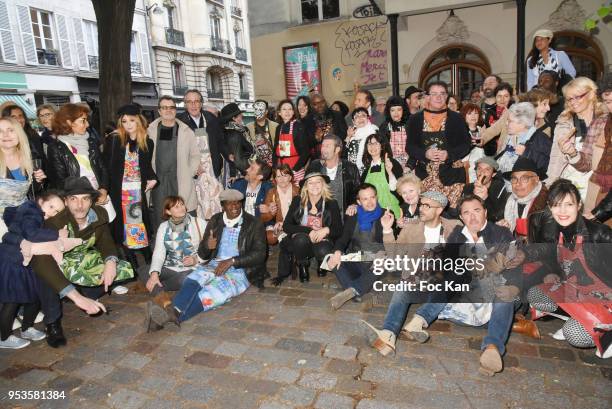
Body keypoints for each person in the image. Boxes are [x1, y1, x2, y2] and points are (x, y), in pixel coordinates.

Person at [31, 177, 133, 346]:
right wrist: (76, 297)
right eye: (74, 199)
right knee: (47, 278)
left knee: (122, 269)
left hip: (79, 259)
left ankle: (89, 292)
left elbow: (106, 241)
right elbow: (41, 262)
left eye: (85, 198)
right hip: (53, 263)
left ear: (91, 201)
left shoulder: (98, 215)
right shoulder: (52, 224)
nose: (80, 205)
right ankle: (52, 323)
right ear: (66, 201)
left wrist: (110, 262)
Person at [145, 189, 266, 329]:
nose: (235, 207)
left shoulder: (253, 223)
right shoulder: (216, 220)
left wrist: (233, 261)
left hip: (241, 269)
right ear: (223, 205)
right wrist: (208, 246)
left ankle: (163, 319)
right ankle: (171, 315)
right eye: (230, 204)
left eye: (238, 203)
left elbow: (259, 254)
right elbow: (203, 254)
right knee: (195, 278)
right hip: (215, 263)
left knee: (214, 293)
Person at [361, 190, 460, 356]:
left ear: (439, 210)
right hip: (418, 281)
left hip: (443, 287)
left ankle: (418, 321)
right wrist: (387, 230)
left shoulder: (454, 227)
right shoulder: (411, 228)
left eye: (427, 206)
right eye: (421, 204)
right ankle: (388, 335)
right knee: (402, 287)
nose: (421, 208)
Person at [525, 179, 611, 358]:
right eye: (556, 205)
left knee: (575, 334)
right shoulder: (556, 231)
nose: (562, 211)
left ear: (579, 205)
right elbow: (556, 261)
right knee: (535, 295)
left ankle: (605, 332)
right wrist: (552, 272)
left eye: (569, 204)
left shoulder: (599, 234)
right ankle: (578, 319)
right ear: (549, 207)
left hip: (605, 299)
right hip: (578, 293)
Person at [0, 190, 82, 349]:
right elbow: (32, 234)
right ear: (40, 201)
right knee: (12, 301)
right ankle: (4, 337)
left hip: (24, 262)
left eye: (56, 211)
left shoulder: (34, 213)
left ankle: (27, 328)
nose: (51, 212)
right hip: (12, 262)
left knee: (34, 295)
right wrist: (57, 234)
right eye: (51, 206)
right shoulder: (31, 212)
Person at [103, 104, 157, 270]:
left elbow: (146, 166)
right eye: (124, 121)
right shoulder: (114, 139)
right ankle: (132, 261)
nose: (128, 124)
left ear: (139, 121)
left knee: (138, 223)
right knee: (123, 226)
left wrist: (153, 178)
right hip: (119, 191)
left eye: (131, 120)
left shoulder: (147, 141)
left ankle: (147, 260)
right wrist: (105, 190)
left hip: (136, 191)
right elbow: (107, 166)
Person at [141, 195, 206, 329]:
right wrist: (154, 273)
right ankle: (167, 305)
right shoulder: (164, 227)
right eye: (176, 206)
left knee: (185, 278)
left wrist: (196, 259)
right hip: (171, 267)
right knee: (144, 270)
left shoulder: (198, 222)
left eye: (182, 204)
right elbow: (159, 253)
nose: (182, 208)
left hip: (190, 269)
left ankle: (157, 291)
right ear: (168, 211)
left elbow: (209, 250)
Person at [546, 77, 608, 212]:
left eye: (577, 97)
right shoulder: (564, 122)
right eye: (569, 99)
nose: (573, 102)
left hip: (600, 182)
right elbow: (555, 159)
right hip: (570, 182)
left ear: (591, 94)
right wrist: (550, 184)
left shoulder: (605, 120)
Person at [407, 81, 471, 209]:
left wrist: (449, 154)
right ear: (427, 97)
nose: (438, 97)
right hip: (425, 176)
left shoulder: (456, 119)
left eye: (442, 93)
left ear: (446, 96)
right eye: (434, 94)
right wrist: (425, 154)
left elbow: (466, 145)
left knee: (453, 215)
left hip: (452, 176)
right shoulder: (415, 119)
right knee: (429, 213)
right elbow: (410, 147)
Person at [326, 184, 385, 309]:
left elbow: (391, 244)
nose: (370, 202)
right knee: (330, 258)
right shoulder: (353, 215)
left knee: (384, 262)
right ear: (359, 201)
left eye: (372, 197)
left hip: (375, 263)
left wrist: (382, 254)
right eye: (365, 199)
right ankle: (356, 289)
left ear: (376, 197)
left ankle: (351, 291)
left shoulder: (385, 215)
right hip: (357, 259)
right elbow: (343, 239)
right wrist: (337, 253)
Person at [147, 96, 201, 230]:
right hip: (158, 182)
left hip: (180, 179)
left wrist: (190, 172)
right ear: (159, 111)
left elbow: (195, 155)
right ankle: (163, 246)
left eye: (171, 107)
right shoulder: (150, 131)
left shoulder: (186, 131)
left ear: (175, 110)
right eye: (164, 107)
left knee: (184, 215)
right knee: (161, 217)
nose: (168, 110)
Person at [281, 172, 342, 282]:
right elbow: (286, 226)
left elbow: (339, 229)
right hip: (302, 240)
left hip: (322, 240)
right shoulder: (298, 201)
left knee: (323, 249)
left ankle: (321, 262)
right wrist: (308, 230)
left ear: (323, 184)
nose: (314, 186)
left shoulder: (332, 203)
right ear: (306, 187)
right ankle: (302, 265)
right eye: (310, 183)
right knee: (300, 240)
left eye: (318, 182)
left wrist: (326, 229)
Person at [47, 103, 109, 206]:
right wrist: (87, 197)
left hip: (99, 196)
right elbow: (60, 182)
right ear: (69, 122)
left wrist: (103, 189)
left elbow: (103, 168)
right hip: (76, 202)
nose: (87, 124)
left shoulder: (91, 141)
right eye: (83, 120)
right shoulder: (56, 147)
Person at [305, 134, 361, 215]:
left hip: (343, 218)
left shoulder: (350, 168)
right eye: (323, 146)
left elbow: (358, 191)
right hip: (319, 218)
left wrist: (354, 204)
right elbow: (304, 189)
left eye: (327, 146)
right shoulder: (314, 165)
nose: (323, 149)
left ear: (337, 149)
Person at [496, 102, 552, 178]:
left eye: (510, 121)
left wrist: (526, 153)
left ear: (523, 123)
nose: (506, 123)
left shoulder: (540, 139)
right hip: (505, 180)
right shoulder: (510, 136)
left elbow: (547, 165)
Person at [176, 89, 224, 178]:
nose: (193, 105)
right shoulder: (178, 122)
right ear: (185, 105)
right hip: (191, 173)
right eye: (189, 102)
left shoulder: (211, 118)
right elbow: (176, 150)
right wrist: (192, 166)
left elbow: (221, 142)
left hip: (213, 171)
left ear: (201, 103)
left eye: (196, 101)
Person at [499, 157, 548, 237]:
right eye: (514, 179)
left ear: (536, 179)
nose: (518, 183)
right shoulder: (510, 200)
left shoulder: (547, 204)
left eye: (524, 178)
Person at [0, 117, 46, 197]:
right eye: (0, 131)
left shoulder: (30, 157)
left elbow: (32, 193)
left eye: (11, 130)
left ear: (19, 133)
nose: (6, 135)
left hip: (27, 207)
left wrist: (38, 180)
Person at [360, 133, 403, 218]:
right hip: (372, 214)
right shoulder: (365, 172)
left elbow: (399, 190)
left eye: (376, 143)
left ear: (382, 146)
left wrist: (390, 172)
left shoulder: (392, 164)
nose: (372, 146)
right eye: (369, 144)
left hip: (391, 213)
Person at [260, 164, 300, 249]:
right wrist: (270, 212)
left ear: (290, 177)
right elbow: (263, 217)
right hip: (279, 225)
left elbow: (303, 214)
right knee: (270, 237)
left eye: (285, 176)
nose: (282, 179)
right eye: (278, 176)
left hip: (294, 224)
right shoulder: (271, 192)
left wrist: (287, 224)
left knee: (294, 243)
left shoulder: (298, 191)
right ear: (275, 179)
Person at [273, 99, 310, 184]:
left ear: (293, 112)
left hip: (295, 168)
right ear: (279, 112)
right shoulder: (279, 128)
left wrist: (295, 169)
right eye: (284, 109)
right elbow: (275, 150)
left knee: (295, 194)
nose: (287, 112)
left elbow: (306, 152)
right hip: (280, 169)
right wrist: (275, 168)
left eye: (290, 109)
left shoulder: (298, 126)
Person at [462, 157, 509, 222]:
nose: (482, 172)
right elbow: (461, 212)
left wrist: (486, 199)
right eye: (479, 168)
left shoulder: (500, 188)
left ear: (493, 174)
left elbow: (498, 217)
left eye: (487, 169)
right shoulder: (468, 187)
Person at [220, 102, 254, 183]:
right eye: (239, 114)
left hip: (243, 170)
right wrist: (248, 172)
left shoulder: (240, 130)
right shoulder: (233, 134)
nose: (242, 116)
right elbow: (236, 158)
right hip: (241, 173)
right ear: (234, 118)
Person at [379, 96, 411, 172]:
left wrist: (409, 165)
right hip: (391, 165)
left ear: (404, 110)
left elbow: (415, 146)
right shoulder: (384, 127)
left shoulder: (410, 124)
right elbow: (383, 149)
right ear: (388, 112)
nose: (396, 113)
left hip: (409, 165)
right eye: (392, 110)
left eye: (399, 109)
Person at [481, 82, 514, 156]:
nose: (502, 99)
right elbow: (483, 131)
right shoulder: (487, 112)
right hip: (489, 152)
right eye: (499, 96)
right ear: (495, 97)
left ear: (510, 97)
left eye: (506, 96)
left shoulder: (515, 112)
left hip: (508, 151)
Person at [345, 107, 379, 174]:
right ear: (353, 121)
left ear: (368, 118)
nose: (360, 118)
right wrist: (348, 137)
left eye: (363, 115)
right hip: (353, 170)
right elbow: (344, 153)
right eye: (357, 117)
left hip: (371, 168)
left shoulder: (374, 131)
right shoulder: (351, 134)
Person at [246, 99, 278, 166]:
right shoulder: (248, 127)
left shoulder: (275, 126)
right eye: (255, 109)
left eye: (260, 110)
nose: (257, 112)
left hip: (274, 164)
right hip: (257, 165)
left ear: (266, 111)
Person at [460, 102, 485, 182]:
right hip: (466, 169)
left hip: (482, 169)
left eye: (476, 113)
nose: (473, 116)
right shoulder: (459, 132)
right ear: (464, 116)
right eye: (469, 113)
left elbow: (491, 151)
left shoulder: (484, 130)